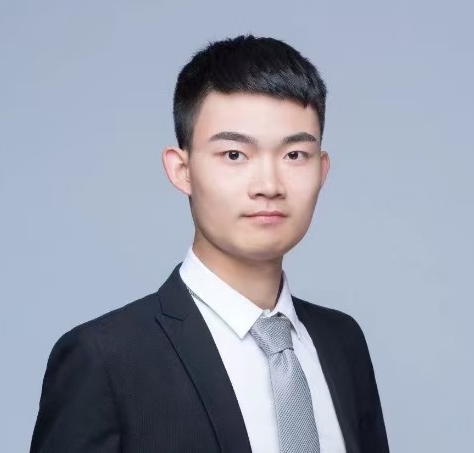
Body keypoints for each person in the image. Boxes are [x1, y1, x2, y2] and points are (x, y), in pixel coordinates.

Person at [30, 35, 390, 453]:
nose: (269, 185)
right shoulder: (106, 359)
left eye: (294, 155)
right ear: (181, 169)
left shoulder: (342, 342)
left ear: (322, 170)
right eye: (234, 154)